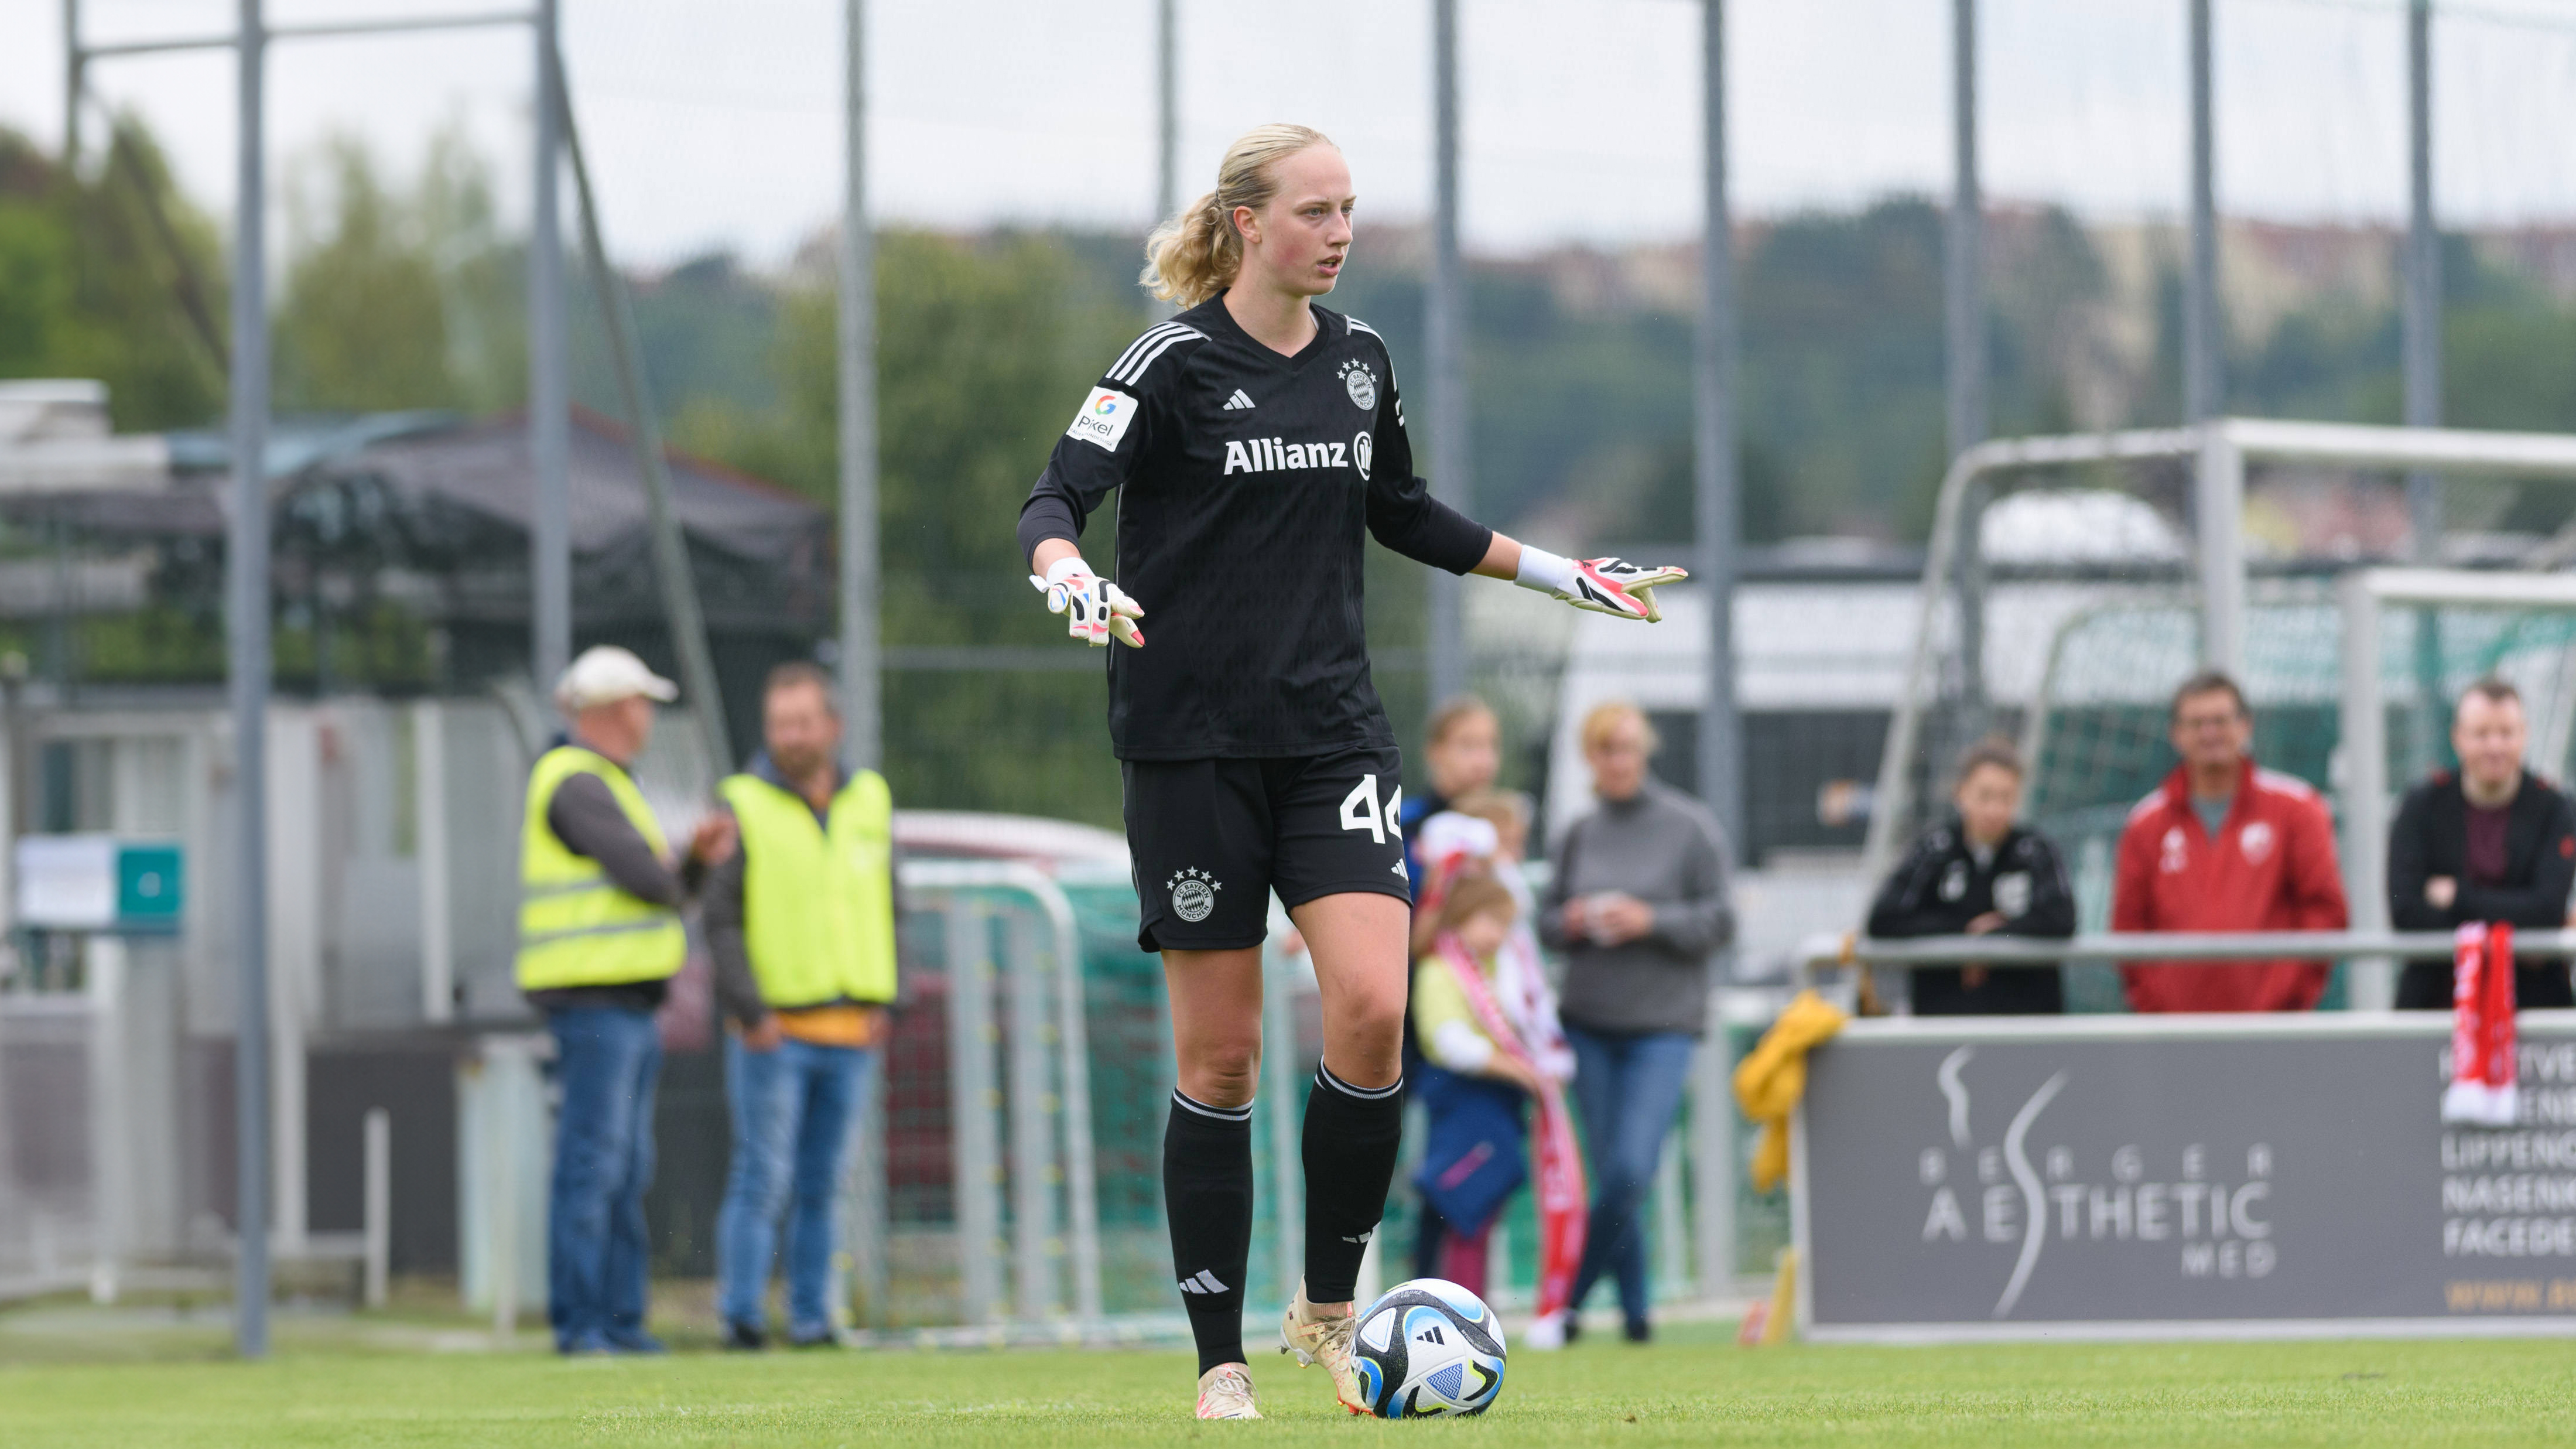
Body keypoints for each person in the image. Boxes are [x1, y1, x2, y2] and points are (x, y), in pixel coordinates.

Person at [1015, 123, 1685, 1419]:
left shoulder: (1361, 360)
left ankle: (1327, 1313)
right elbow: (1052, 501)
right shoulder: (1168, 363)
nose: (1339, 232)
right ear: (1246, 223)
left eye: (1350, 210)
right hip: (1190, 747)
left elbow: (1403, 510)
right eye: (1316, 211)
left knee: (1372, 1008)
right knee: (1221, 1059)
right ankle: (1218, 1359)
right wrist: (1071, 580)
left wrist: (1564, 577)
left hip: (1333, 737)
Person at [516, 645, 736, 1356]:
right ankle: (583, 1324)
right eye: (642, 702)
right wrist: (690, 862)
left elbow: (671, 886)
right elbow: (655, 882)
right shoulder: (577, 783)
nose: (648, 716)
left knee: (623, 1167)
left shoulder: (606, 781)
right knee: (595, 1164)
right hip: (595, 1006)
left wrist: (691, 862)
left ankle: (616, 1319)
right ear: (616, 708)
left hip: (628, 1008)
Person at [706, 662, 902, 1351]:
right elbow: (720, 918)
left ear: (833, 725)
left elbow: (887, 902)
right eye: (779, 723)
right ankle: (741, 1315)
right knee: (763, 1176)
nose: (790, 736)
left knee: (823, 1184)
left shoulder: (869, 797)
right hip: (774, 1030)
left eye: (802, 721)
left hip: (850, 1026)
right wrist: (749, 1008)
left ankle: (813, 1318)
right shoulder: (741, 801)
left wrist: (887, 995)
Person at [1538, 701, 1732, 1344]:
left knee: (1630, 1169)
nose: (1616, 760)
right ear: (1589, 757)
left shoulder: (1689, 826)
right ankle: (1636, 1316)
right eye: (1603, 749)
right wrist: (1571, 920)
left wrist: (1650, 920)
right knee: (1612, 1177)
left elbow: (1720, 920)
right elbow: (1544, 921)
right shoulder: (1578, 832)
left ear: (1644, 749)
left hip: (1663, 1025)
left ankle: (1566, 1307)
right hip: (1589, 1022)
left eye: (1625, 747)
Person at [2113, 671, 2348, 1013]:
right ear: (2176, 735)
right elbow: (2129, 927)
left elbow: (2325, 912)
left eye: (2220, 720)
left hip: (2273, 1030)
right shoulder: (2146, 824)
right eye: (2196, 724)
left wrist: (2286, 996)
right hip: (2175, 1034)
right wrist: (2159, 1004)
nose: (2210, 734)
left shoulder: (2297, 809)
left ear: (2245, 726)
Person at [1408, 878, 1575, 1299]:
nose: (1497, 935)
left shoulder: (1505, 969)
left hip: (1499, 1106)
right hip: (1461, 1103)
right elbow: (1449, 1043)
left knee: (1481, 1210)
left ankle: (1469, 1309)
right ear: (1460, 916)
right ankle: (1453, 1310)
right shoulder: (1438, 970)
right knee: (1462, 1204)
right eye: (1489, 922)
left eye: (1505, 925)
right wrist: (1521, 1072)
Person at [2389, 678, 2576, 1010]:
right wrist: (2514, 925)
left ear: (2525, 735)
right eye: (2481, 734)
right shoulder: (2421, 806)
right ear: (2458, 738)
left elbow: (2546, 910)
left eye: (2506, 733)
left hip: (2532, 1013)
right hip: (2435, 1008)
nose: (2495, 746)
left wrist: (2458, 896)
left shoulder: (2555, 808)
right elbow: (2406, 911)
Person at [1866, 737, 2076, 1014]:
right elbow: (1884, 919)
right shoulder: (1933, 850)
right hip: (1945, 1024)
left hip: (2026, 1024)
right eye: (1985, 796)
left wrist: (1996, 937)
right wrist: (1963, 932)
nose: (1995, 810)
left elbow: (2062, 918)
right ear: (1961, 793)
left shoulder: (2037, 851)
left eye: (2006, 798)